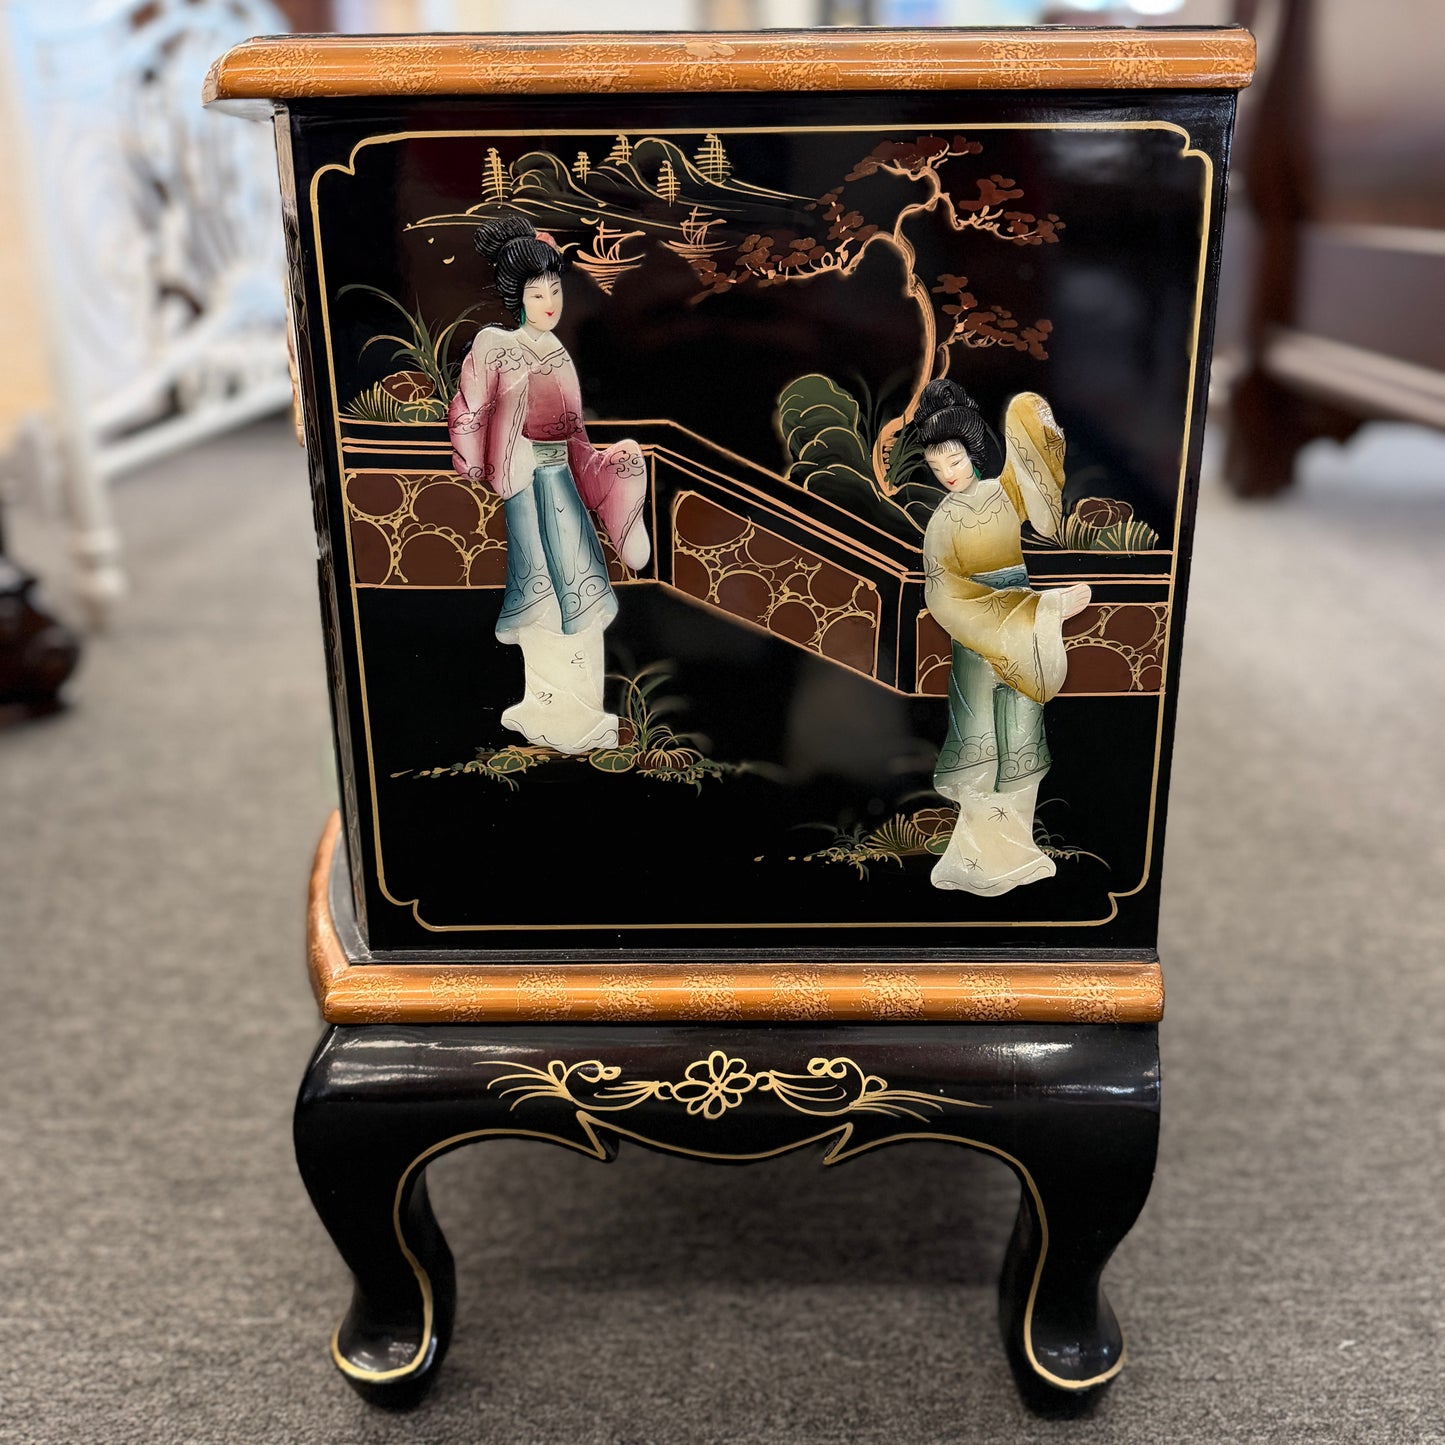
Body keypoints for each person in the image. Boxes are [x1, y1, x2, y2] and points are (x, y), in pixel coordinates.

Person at [447, 216, 649, 753]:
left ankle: (580, 710)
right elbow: (469, 406)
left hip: (560, 479)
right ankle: (546, 706)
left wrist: (609, 467)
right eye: (538, 293)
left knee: (580, 585)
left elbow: (576, 435)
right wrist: (472, 461)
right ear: (518, 298)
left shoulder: (559, 356)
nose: (550, 302)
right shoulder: (496, 344)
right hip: (524, 479)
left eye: (555, 290)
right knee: (539, 589)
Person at [916, 378, 1090, 896]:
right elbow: (942, 592)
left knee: (1019, 734)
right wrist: (1039, 610)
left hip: (1020, 628)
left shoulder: (1000, 493)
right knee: (980, 745)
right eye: (936, 466)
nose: (948, 474)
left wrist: (1026, 417)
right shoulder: (941, 523)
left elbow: (1033, 469)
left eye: (955, 460)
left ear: (973, 452)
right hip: (982, 632)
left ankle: (1017, 852)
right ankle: (978, 856)